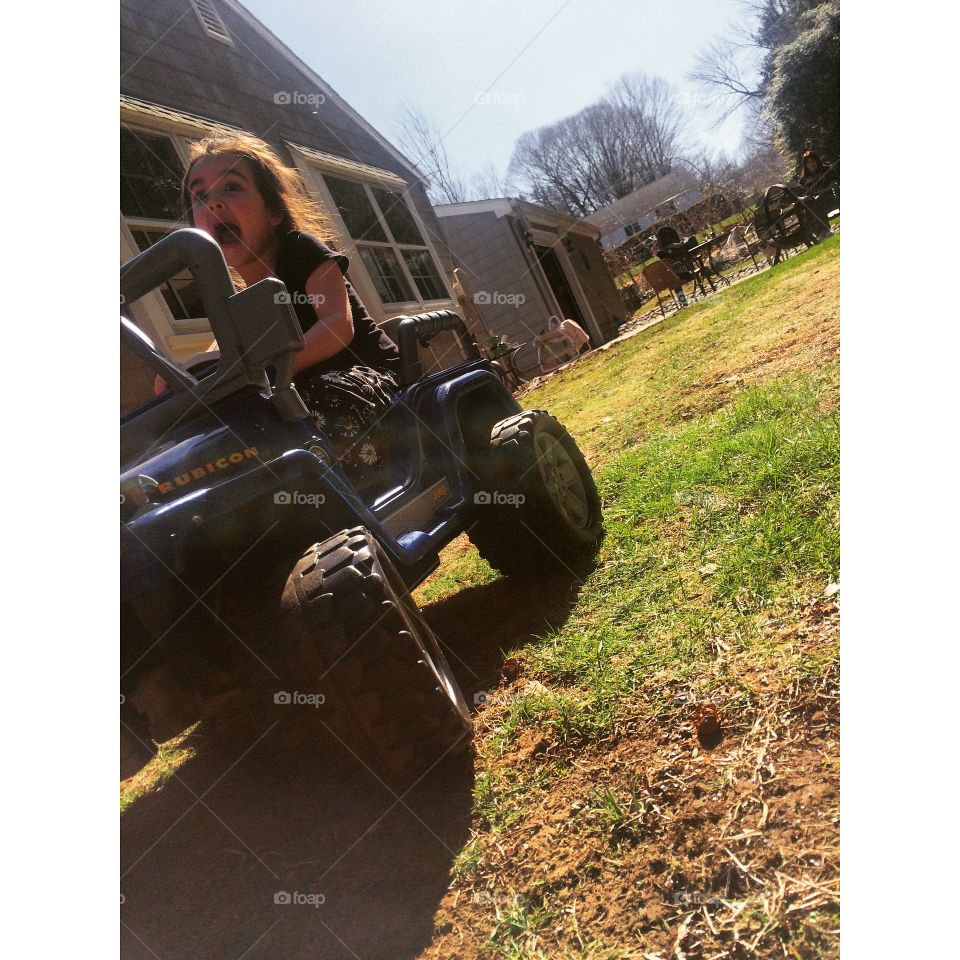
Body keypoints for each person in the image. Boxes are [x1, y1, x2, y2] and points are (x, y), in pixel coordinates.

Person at [175, 133, 400, 483]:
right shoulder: (235, 301)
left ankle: (349, 501)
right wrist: (186, 374)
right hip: (295, 397)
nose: (214, 204)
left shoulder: (300, 251)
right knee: (225, 443)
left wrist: (271, 371)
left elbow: (338, 325)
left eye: (231, 188)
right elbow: (223, 351)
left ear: (274, 212)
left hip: (368, 377)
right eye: (200, 196)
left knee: (316, 407)